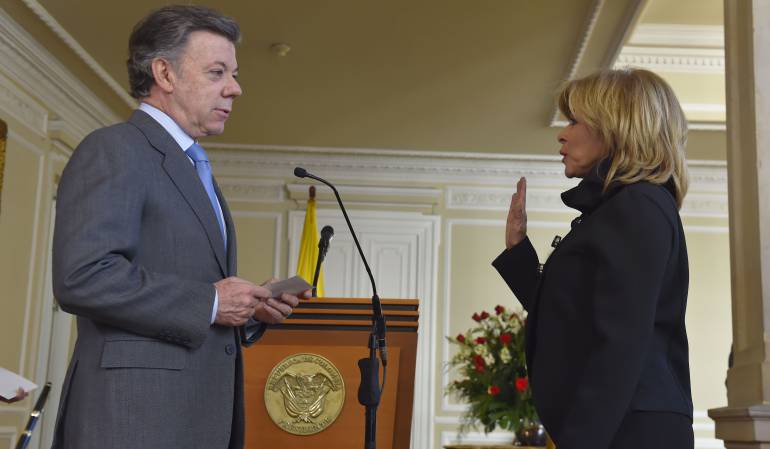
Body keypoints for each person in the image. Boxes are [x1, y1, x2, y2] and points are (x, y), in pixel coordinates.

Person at [50, 6, 310, 449]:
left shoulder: (193, 168)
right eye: (217, 72)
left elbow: (192, 295)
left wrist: (248, 307)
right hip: (133, 423)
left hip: (192, 420)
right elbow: (83, 277)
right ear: (164, 73)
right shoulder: (114, 148)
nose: (235, 88)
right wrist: (213, 301)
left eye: (233, 74)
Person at [492, 69, 693, 449]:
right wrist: (517, 249)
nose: (562, 134)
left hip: (631, 430)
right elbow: (575, 316)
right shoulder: (623, 208)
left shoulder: (637, 207)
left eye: (574, 121)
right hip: (619, 424)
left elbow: (620, 343)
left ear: (616, 128)